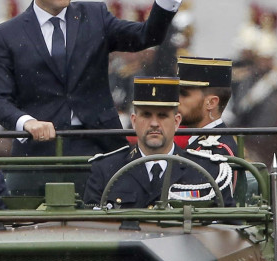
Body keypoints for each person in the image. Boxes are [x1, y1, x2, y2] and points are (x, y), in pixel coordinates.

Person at [0, 0, 181, 157]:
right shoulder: (7, 34)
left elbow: (148, 35)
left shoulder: (95, 17)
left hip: (100, 146)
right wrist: (27, 123)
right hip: (38, 151)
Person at [83, 77, 233, 209]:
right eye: (146, 115)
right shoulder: (105, 171)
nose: (154, 123)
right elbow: (91, 230)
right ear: (134, 121)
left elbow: (227, 229)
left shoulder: (206, 171)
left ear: (176, 122)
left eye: (162, 116)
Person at [176, 56, 238, 157]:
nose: (177, 100)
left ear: (211, 103)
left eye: (184, 94)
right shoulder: (196, 142)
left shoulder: (217, 151)